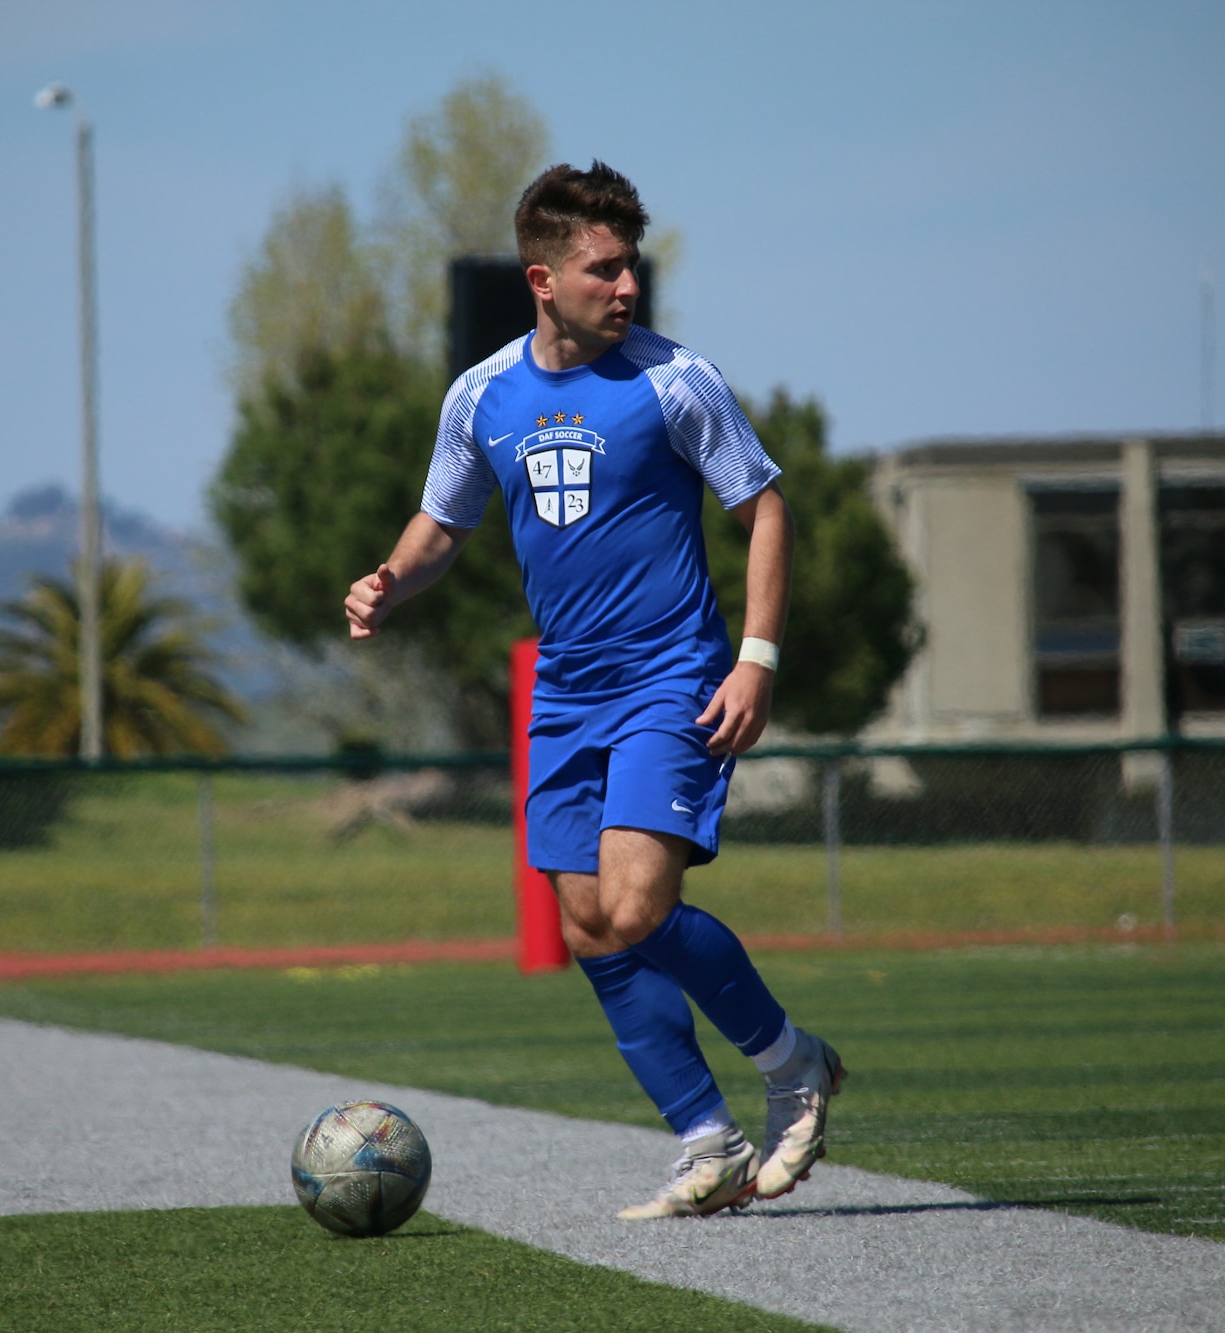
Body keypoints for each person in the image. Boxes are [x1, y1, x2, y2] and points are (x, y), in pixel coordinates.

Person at [345, 161, 844, 1219]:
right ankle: (705, 1141)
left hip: (670, 676)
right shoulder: (481, 395)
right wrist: (391, 578)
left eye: (631, 268)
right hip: (564, 694)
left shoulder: (676, 380)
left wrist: (754, 658)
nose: (626, 288)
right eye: (601, 269)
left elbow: (762, 510)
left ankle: (793, 1062)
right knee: (585, 924)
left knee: (633, 904)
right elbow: (441, 526)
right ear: (541, 278)